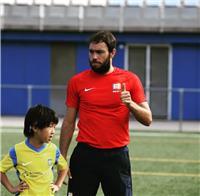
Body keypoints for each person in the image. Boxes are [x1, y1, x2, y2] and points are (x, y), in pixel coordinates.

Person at [59, 31, 152, 196]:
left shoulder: (130, 79)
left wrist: (130, 104)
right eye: (91, 52)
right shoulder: (77, 81)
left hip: (117, 156)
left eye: (100, 52)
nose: (94, 57)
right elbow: (68, 122)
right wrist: (62, 158)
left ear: (112, 53)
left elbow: (147, 119)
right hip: (85, 155)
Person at [0, 104, 68, 195]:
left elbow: (64, 168)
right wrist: (11, 188)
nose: (53, 131)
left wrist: (58, 185)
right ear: (35, 127)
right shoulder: (17, 151)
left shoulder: (53, 149)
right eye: (49, 126)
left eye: (54, 127)